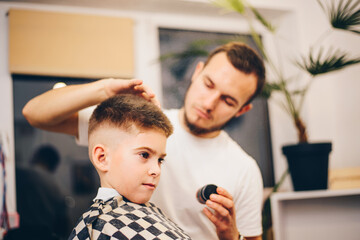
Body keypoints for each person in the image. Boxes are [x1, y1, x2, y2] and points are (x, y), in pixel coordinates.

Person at [23, 42, 266, 240]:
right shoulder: (139, 128)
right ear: (197, 72)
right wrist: (105, 90)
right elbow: (34, 114)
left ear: (242, 110)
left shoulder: (244, 170)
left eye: (228, 100)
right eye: (208, 84)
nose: (209, 102)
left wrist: (231, 236)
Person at [68, 94, 191, 239]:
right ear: (102, 158)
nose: (156, 170)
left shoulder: (153, 214)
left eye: (160, 160)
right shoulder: (95, 227)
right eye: (144, 155)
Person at [15, 145, 70, 239]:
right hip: (45, 234)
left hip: (22, 233)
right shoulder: (58, 188)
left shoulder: (24, 174)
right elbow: (62, 222)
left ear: (38, 156)